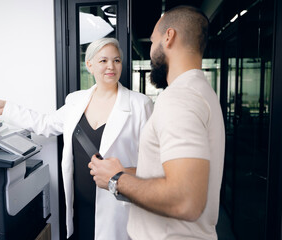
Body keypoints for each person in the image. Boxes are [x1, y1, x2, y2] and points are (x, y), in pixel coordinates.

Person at [0, 38, 153, 240]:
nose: (111, 66)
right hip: (79, 205)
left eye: (117, 60)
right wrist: (6, 108)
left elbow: (152, 162)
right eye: (103, 61)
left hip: (119, 207)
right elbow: (45, 124)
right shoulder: (76, 101)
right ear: (90, 65)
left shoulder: (140, 105)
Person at [89, 6, 225, 240]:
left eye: (152, 42)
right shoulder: (202, 92)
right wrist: (123, 171)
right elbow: (171, 172)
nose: (150, 51)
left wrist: (116, 181)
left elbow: (185, 200)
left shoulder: (179, 99)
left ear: (169, 37)